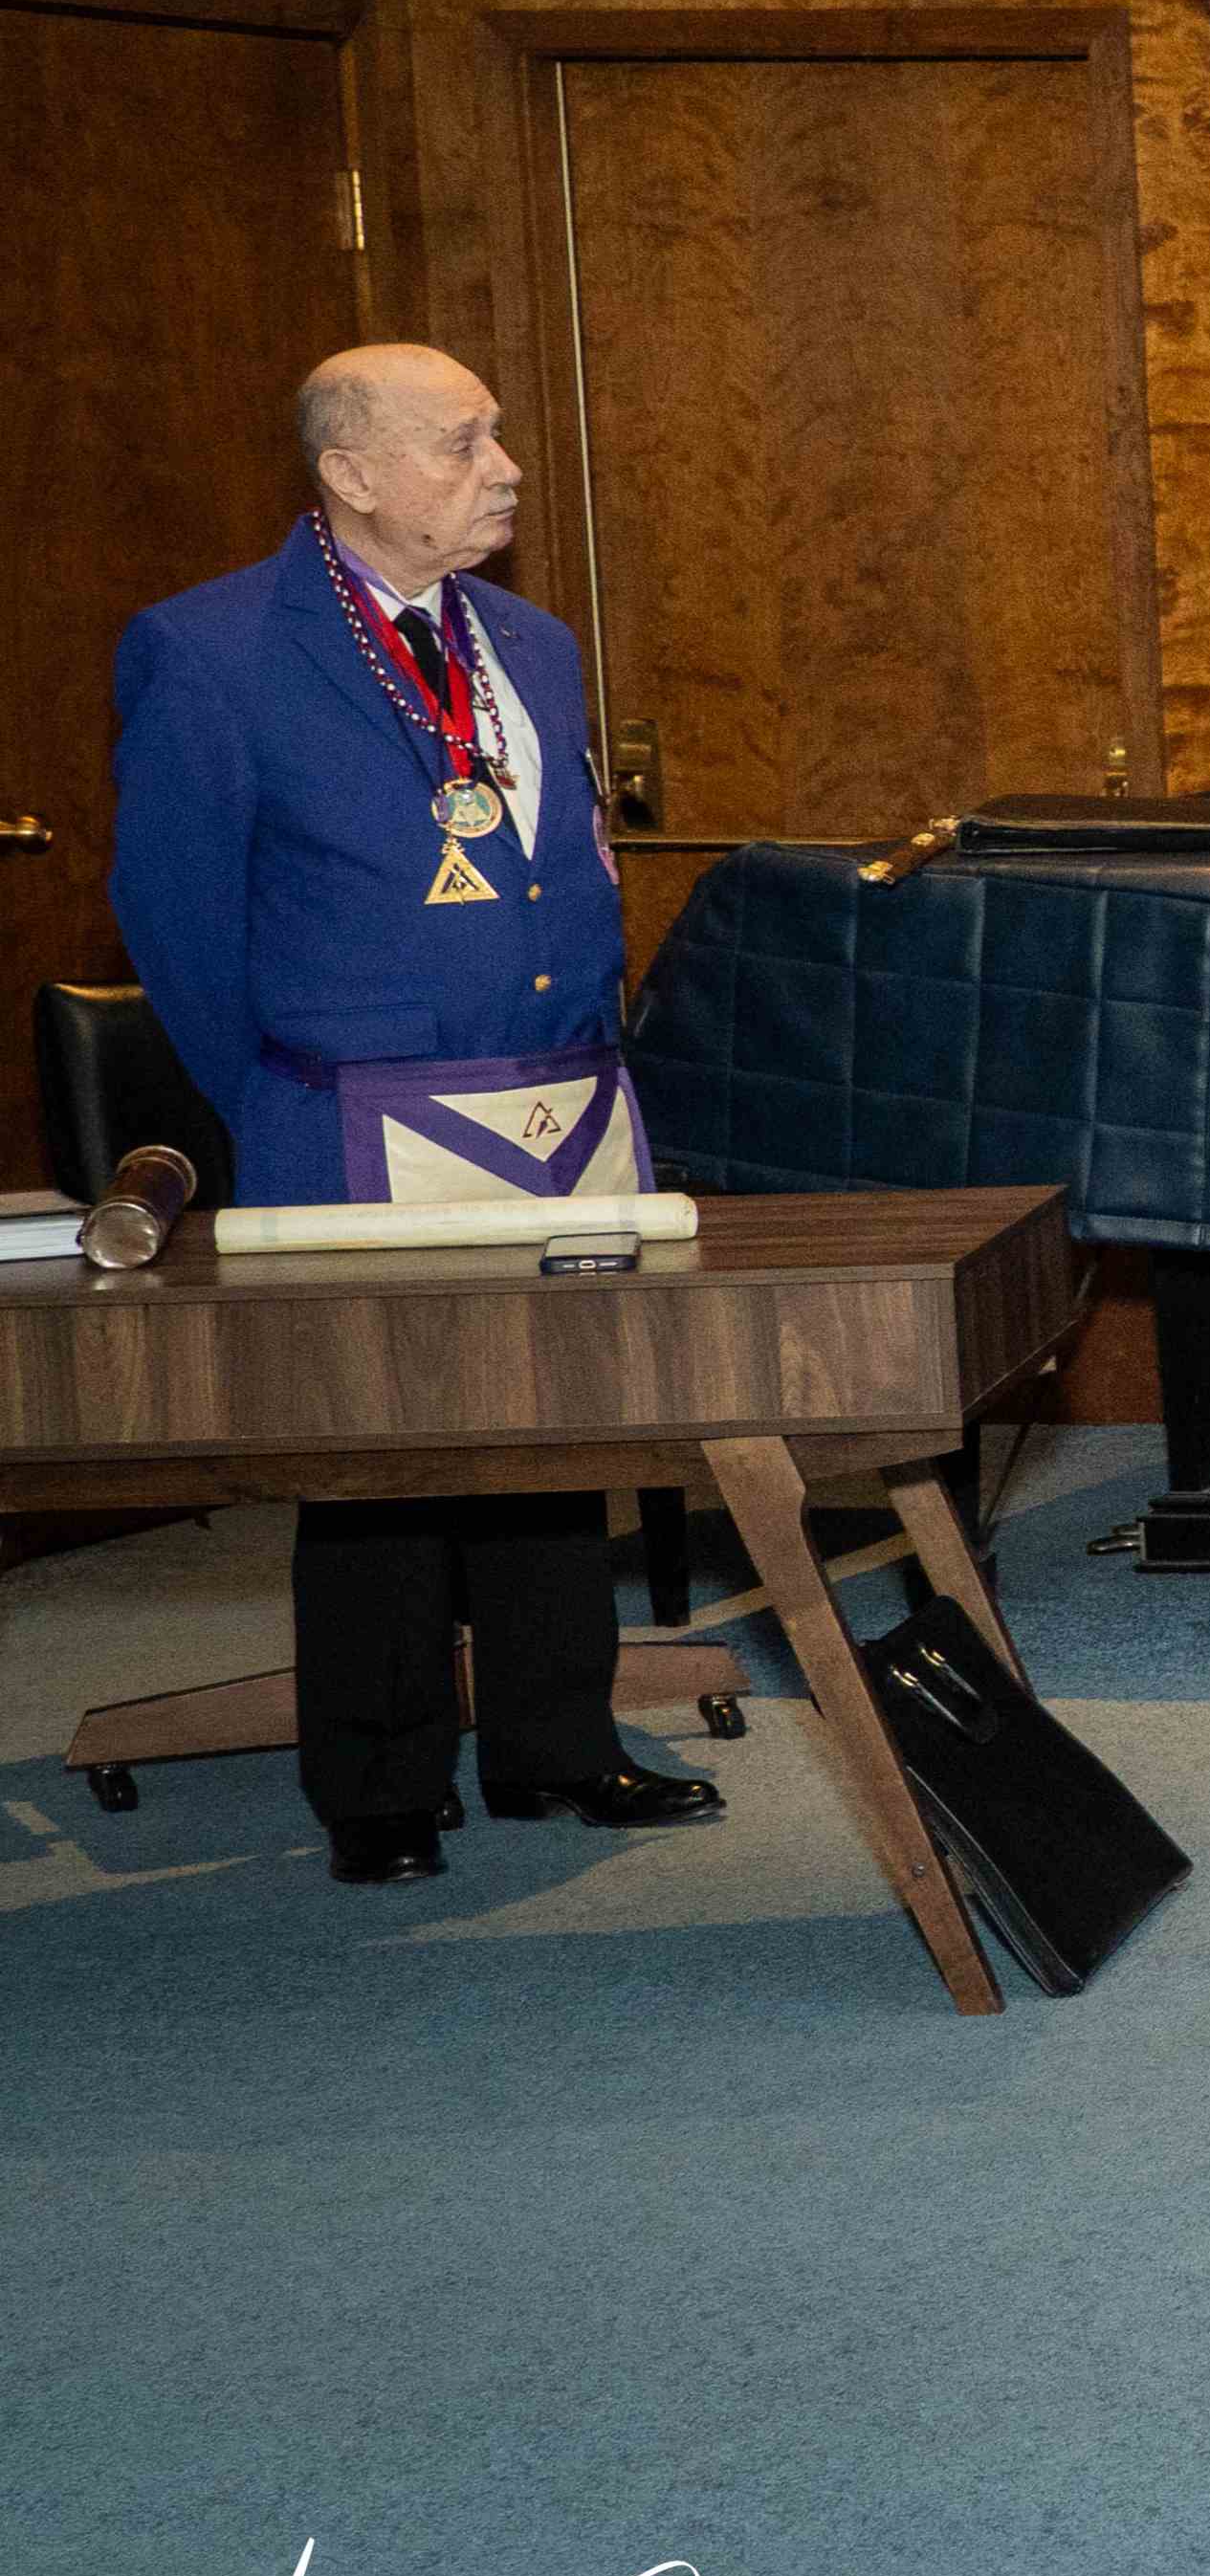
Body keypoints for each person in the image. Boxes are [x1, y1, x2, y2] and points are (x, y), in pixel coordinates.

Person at [102, 347, 723, 1886]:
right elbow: (175, 917)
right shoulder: (215, 650)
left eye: (499, 435)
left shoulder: (534, 641)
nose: (504, 466)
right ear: (353, 473)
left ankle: (557, 1745)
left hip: (557, 1101)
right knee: (377, 1446)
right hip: (349, 1108)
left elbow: (561, 856)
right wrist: (280, 1090)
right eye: (463, 444)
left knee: (551, 1427)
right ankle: (377, 1781)